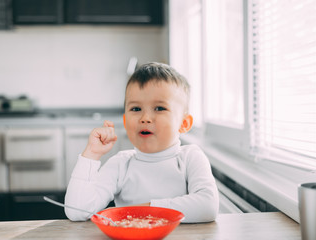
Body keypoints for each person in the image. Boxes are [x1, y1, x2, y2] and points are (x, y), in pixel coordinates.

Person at [64, 62, 219, 223]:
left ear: (184, 123)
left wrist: (143, 210)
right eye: (136, 109)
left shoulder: (191, 157)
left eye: (159, 108)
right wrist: (91, 155)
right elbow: (77, 211)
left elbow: (208, 206)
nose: (145, 118)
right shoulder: (120, 164)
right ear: (125, 122)